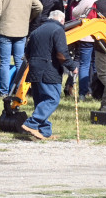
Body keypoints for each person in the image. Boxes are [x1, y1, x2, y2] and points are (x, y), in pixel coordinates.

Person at [20, 10, 78, 140]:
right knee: (52, 99)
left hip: (34, 69)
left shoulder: (36, 31)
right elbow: (61, 53)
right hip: (49, 70)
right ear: (62, 20)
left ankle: (44, 131)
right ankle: (32, 123)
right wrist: (72, 66)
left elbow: (27, 52)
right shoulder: (58, 30)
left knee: (41, 100)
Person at [0, 0, 43, 96]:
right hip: (21, 31)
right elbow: (39, 7)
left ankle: (3, 92)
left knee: (4, 62)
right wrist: (29, 18)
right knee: (20, 62)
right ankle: (19, 90)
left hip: (4, 30)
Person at [70, 0, 105, 99]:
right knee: (97, 65)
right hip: (101, 37)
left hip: (86, 36)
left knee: (84, 64)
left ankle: (82, 93)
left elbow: (75, 12)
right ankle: (97, 92)